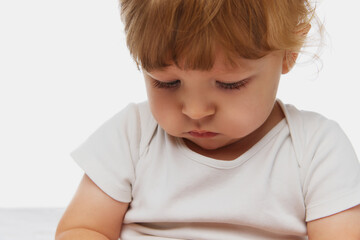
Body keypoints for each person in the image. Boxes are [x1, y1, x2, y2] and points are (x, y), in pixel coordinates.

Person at [56, 0, 360, 239]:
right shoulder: (133, 135)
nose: (196, 110)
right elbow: (82, 229)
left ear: (288, 52)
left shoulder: (316, 149)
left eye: (229, 84)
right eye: (166, 82)